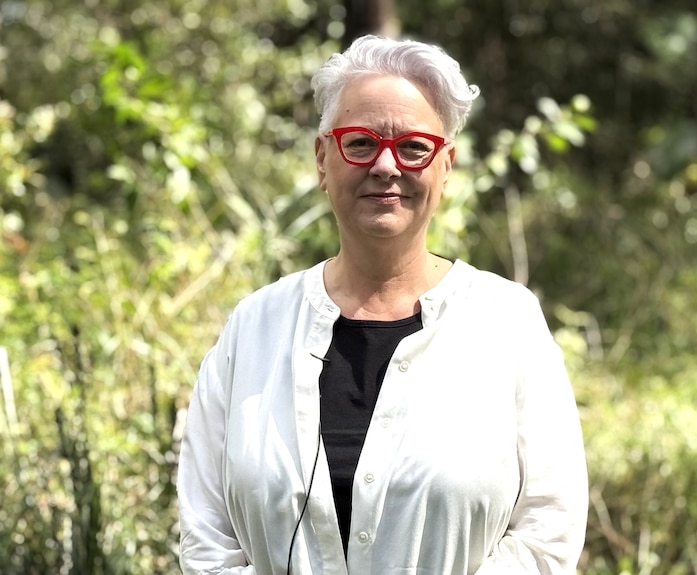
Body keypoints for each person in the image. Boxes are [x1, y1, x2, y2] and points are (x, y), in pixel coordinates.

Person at [177, 34, 588, 575]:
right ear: (323, 159)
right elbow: (207, 537)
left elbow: (547, 532)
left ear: (445, 167)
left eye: (414, 146)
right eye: (361, 143)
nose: (387, 165)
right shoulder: (254, 327)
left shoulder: (506, 322)